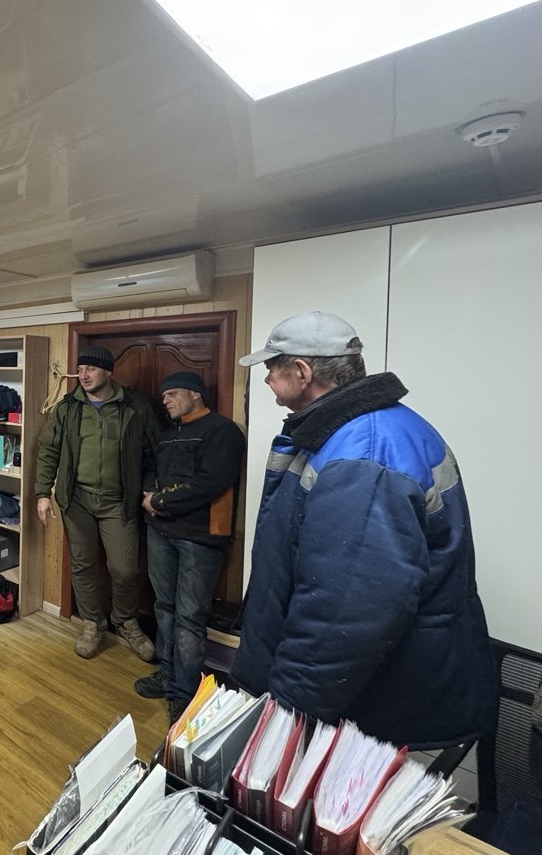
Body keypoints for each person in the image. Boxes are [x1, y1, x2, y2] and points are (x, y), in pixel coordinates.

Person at [232, 310, 495, 748]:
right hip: (363, 690)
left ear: (302, 372)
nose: (266, 378)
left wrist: (287, 712)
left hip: (374, 702)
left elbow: (346, 612)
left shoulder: (365, 453)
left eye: (272, 367)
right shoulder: (358, 430)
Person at [35, 345, 160, 661]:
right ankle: (92, 624)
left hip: (120, 503)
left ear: (108, 371)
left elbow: (154, 451)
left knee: (125, 570)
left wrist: (149, 489)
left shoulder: (135, 407)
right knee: (82, 564)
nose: (84, 375)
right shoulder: (67, 408)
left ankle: (126, 621)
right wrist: (42, 493)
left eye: (90, 369)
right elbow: (48, 450)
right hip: (77, 501)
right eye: (80, 370)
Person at [135, 371, 245, 724]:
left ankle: (184, 695)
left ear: (195, 394)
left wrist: (159, 501)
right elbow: (151, 469)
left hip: (200, 538)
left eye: (172, 394)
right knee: (165, 607)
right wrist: (149, 493)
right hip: (160, 532)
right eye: (163, 395)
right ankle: (167, 674)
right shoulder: (169, 435)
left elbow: (210, 482)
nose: (165, 400)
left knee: (190, 617)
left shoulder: (223, 431)